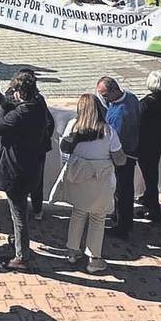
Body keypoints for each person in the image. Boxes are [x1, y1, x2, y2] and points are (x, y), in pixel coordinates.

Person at [0, 68, 51, 271]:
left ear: (20, 93)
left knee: (19, 216)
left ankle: (21, 257)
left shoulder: (21, 114)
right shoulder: (38, 103)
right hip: (32, 168)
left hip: (16, 172)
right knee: (19, 214)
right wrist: (5, 103)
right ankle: (20, 241)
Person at [53, 93, 125, 271]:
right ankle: (94, 260)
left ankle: (72, 252)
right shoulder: (108, 131)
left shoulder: (73, 125)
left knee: (78, 213)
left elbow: (64, 148)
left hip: (78, 178)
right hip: (100, 181)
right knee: (98, 217)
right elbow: (119, 159)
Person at [97, 75, 143, 234]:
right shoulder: (130, 97)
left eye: (105, 95)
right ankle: (121, 219)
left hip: (123, 155)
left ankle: (122, 226)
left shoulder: (119, 114)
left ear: (114, 91)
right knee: (125, 189)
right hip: (131, 152)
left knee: (121, 191)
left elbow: (114, 140)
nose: (103, 98)